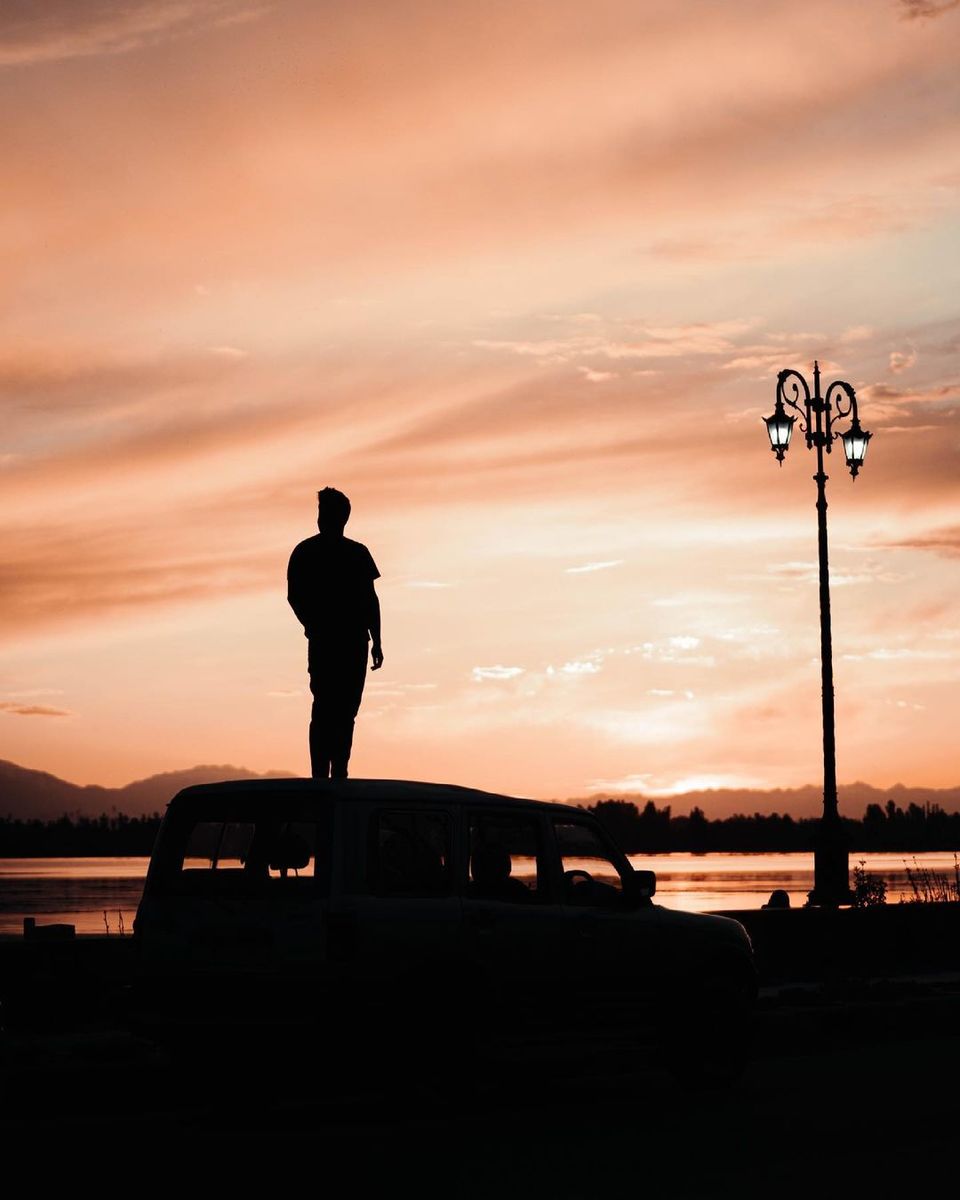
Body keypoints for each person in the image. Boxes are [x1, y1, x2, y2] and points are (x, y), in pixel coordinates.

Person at [287, 488, 383, 779]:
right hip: (331, 643)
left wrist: (376, 640)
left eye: (326, 513)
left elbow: (370, 599)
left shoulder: (356, 553)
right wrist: (314, 626)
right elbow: (296, 596)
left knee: (344, 711)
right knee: (327, 708)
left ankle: (338, 773)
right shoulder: (306, 552)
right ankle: (321, 776)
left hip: (352, 644)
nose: (321, 519)